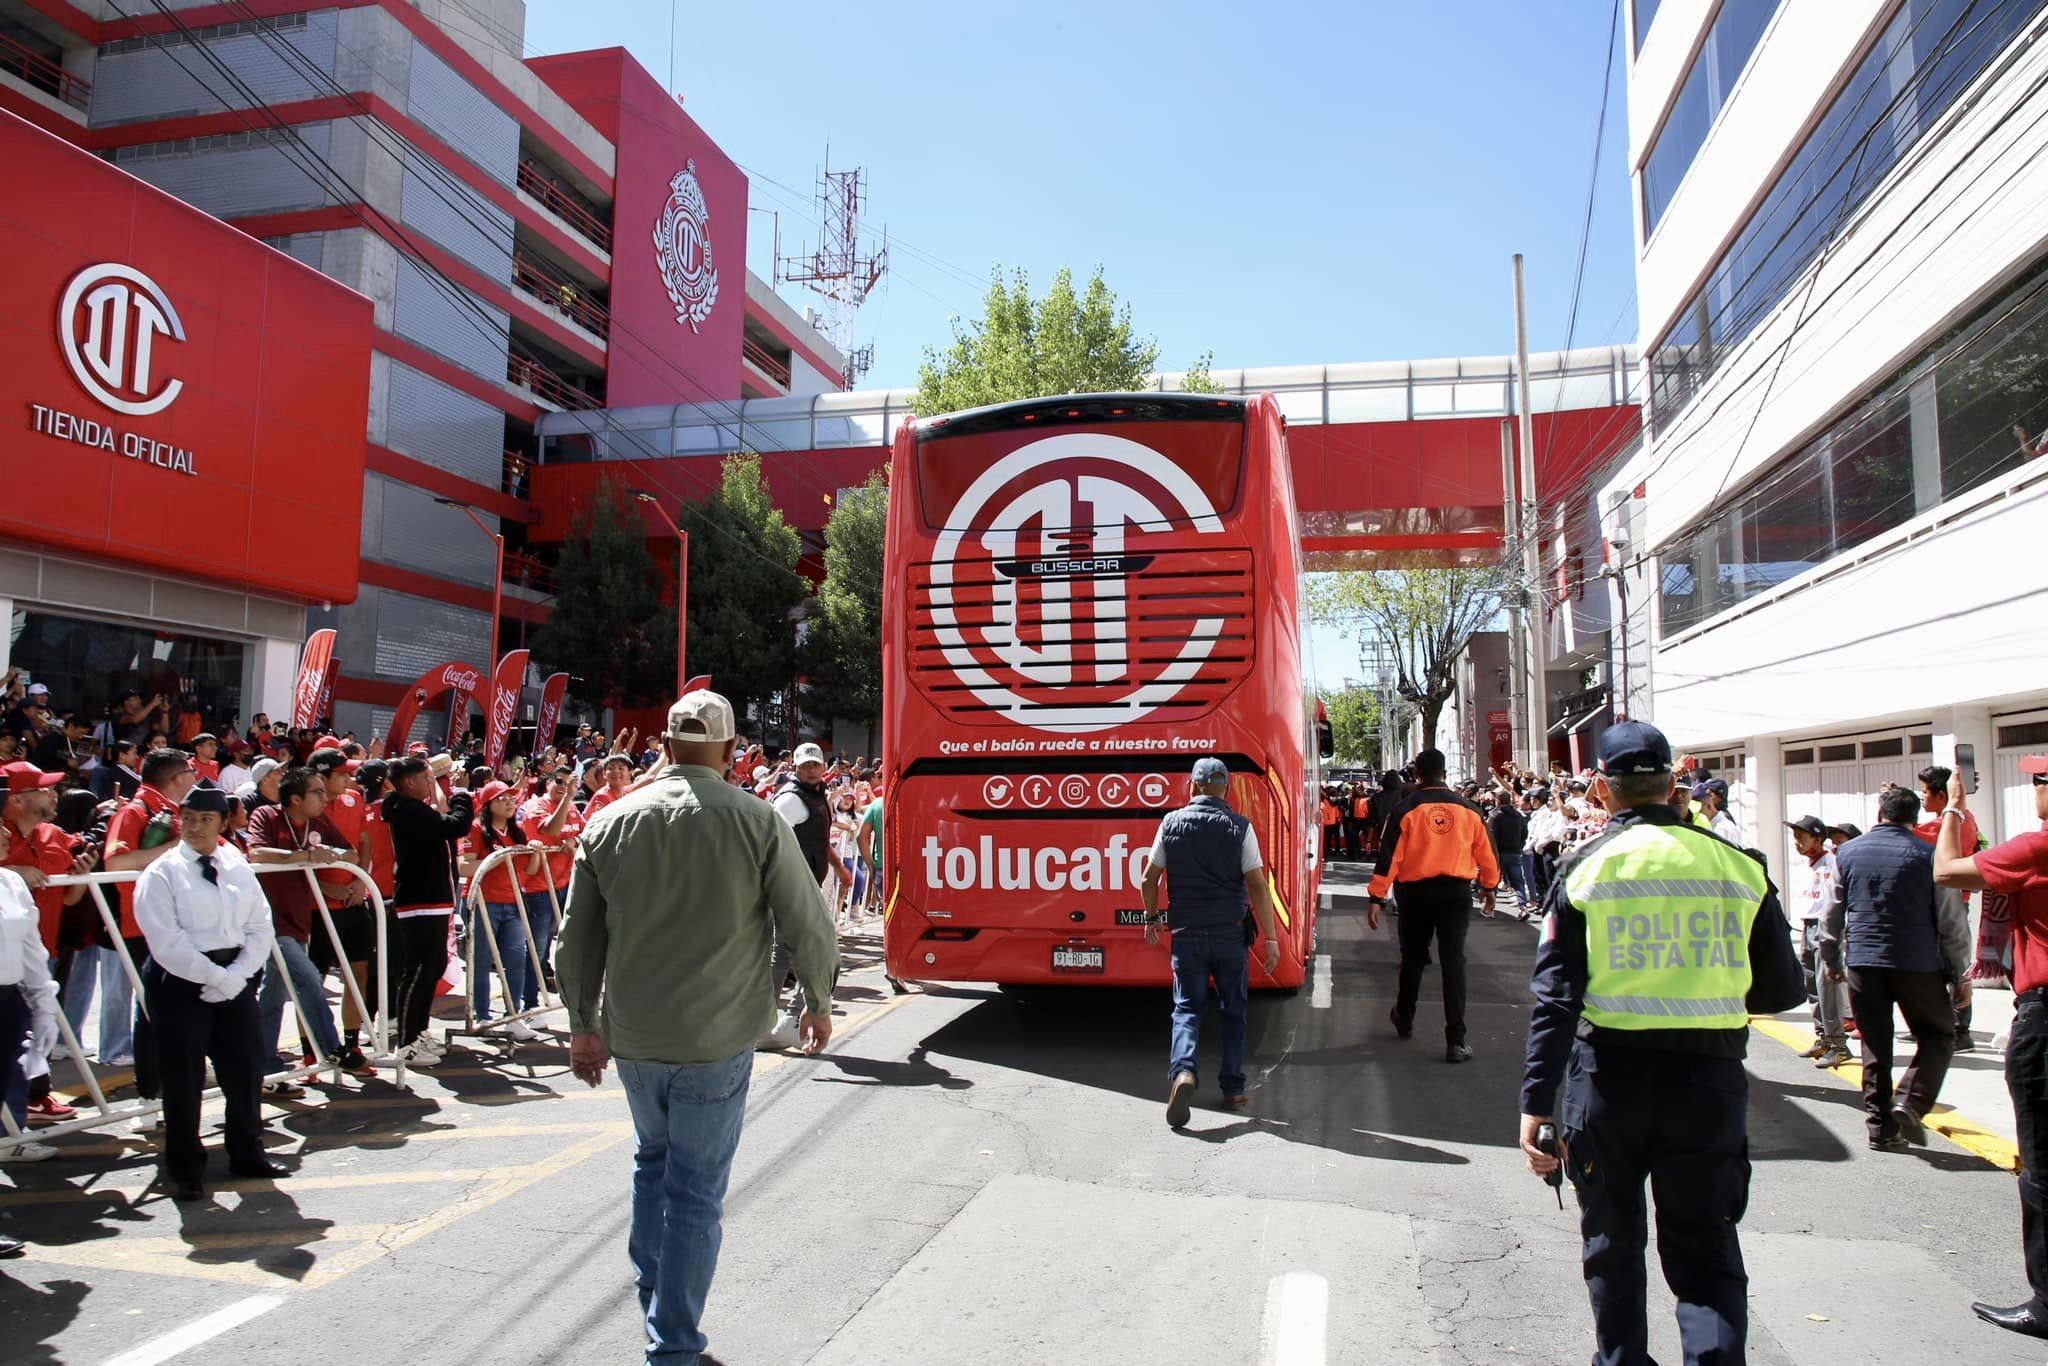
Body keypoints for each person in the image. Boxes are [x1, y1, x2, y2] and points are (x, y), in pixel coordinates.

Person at [556, 691, 838, 1366]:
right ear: (727, 749)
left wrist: (579, 1026)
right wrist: (819, 999)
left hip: (636, 1038)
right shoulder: (757, 818)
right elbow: (807, 921)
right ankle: (674, 1343)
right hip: (716, 1039)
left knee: (652, 1163)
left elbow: (575, 942)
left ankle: (655, 1291)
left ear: (666, 745)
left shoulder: (612, 820)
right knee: (694, 1193)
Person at [1520, 721, 1804, 1366]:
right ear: (1674, 784)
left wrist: (1535, 1104)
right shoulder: (1740, 867)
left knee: (1612, 1249)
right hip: (1708, 1083)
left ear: (1601, 790)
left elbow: (1556, 999)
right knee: (1706, 1255)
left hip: (1608, 1085)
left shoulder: (1583, 867)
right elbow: (1782, 990)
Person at [1934, 755, 2048, 1339]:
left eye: (2040, 782)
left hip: (2045, 1017)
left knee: (2042, 1164)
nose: (2034, 792)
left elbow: (1948, 870)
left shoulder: (2037, 849)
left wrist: (1955, 806)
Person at [131, 784, 290, 1201]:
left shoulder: (235, 864)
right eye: (188, 819)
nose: (195, 827)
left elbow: (260, 925)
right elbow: (166, 943)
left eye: (205, 820)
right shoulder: (162, 873)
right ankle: (185, 1167)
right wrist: (215, 978)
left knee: (246, 1066)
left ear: (222, 823)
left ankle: (247, 1152)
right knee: (183, 1076)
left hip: (234, 974)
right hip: (180, 980)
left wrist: (237, 975)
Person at [1821, 785, 1969, 1150]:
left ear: (1879, 814)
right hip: (1916, 963)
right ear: (1914, 819)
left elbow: (1831, 912)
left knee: (1875, 1044)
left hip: (1863, 962)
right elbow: (1950, 922)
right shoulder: (1929, 855)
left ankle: (1879, 1128)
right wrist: (1958, 971)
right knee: (1938, 1034)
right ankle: (1910, 1100)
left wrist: (1830, 958)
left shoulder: (1847, 853)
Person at [1139, 756, 1281, 1125]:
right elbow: (1256, 884)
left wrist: (1152, 918)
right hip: (1230, 935)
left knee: (1186, 1009)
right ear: (1227, 788)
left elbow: (1148, 878)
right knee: (1233, 1010)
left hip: (1186, 934)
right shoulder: (1240, 826)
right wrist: (1271, 937)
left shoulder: (1170, 823)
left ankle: (1184, 1072)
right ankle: (1233, 1088)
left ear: (1194, 786)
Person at [1367, 748, 1500, 1063]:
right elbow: (1487, 855)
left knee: (1413, 958)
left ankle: (1405, 1016)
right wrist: (1489, 887)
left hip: (1414, 894)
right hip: (1456, 893)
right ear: (1444, 773)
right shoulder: (1470, 810)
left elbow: (1389, 857)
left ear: (1416, 775)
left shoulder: (1404, 810)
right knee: (1454, 963)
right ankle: (1456, 1040)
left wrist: (1376, 897)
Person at [243, 768, 347, 1082]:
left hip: (299, 918)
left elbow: (350, 852)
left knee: (273, 994)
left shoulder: (320, 822)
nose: (324, 797)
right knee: (309, 978)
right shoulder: (266, 815)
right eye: (317, 792)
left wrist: (331, 855)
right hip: (270, 921)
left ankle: (262, 1061)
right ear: (296, 798)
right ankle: (331, 1047)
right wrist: (301, 856)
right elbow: (256, 852)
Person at [381, 755, 474, 1066]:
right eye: (426, 778)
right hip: (418, 900)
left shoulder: (411, 808)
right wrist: (461, 794)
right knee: (419, 970)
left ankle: (418, 1032)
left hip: (431, 898)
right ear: (409, 781)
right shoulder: (406, 809)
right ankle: (407, 1040)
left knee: (431, 968)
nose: (430, 783)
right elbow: (455, 825)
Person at [766, 743, 851, 1048]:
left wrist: (839, 867)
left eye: (816, 764)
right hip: (792, 888)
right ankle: (778, 1017)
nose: (812, 769)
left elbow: (820, 841)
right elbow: (769, 841)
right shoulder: (790, 800)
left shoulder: (817, 797)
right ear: (796, 768)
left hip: (806, 887)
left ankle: (783, 1017)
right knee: (797, 953)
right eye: (806, 765)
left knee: (791, 951)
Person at [0, 812, 60, 1169]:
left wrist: (43, 1004)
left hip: (7, 998)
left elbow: (32, 951)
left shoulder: (11, 883)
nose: (7, 832)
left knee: (8, 1071)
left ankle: (9, 1139)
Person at [1913, 764, 1985, 1050]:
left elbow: (1906, 833)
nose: (1921, 798)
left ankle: (1959, 1029)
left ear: (1941, 795)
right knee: (1950, 967)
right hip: (1953, 901)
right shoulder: (1966, 817)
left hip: (1948, 904)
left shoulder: (1946, 823)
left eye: (1924, 792)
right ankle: (1951, 1025)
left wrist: (1889, 808)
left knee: (1952, 967)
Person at [459, 780, 535, 1040]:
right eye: (502, 798)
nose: (510, 802)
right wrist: (498, 857)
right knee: (480, 962)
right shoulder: (476, 829)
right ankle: (482, 1016)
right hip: (483, 902)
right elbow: (464, 867)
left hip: (513, 904)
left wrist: (534, 851)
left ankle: (513, 1016)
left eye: (512, 798)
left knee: (516, 961)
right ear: (488, 804)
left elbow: (530, 870)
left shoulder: (518, 830)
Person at [1785, 815, 1851, 1068]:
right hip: (1807, 926)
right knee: (1812, 983)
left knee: (1827, 988)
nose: (1797, 843)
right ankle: (1823, 1036)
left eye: (1801, 837)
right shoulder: (1809, 864)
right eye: (1795, 838)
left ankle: (1838, 1044)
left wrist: (1832, 935)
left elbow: (1833, 902)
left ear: (1817, 838)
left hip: (1824, 928)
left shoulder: (1831, 863)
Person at [1488, 791, 1533, 918]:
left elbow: (1491, 835)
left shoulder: (1495, 815)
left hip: (1499, 853)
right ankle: (1523, 907)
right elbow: (1524, 833)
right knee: (1518, 882)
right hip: (1515, 852)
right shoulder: (1518, 815)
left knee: (1494, 881)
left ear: (1498, 801)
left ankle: (1490, 908)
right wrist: (1519, 845)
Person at [1693, 778, 1739, 842]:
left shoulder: (1723, 829)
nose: (1694, 814)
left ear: (1708, 807)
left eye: (1698, 811)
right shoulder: (1709, 825)